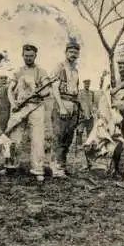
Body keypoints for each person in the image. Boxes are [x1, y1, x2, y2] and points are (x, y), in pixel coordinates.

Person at [6, 44, 51, 181]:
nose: (28, 58)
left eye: (31, 56)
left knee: (37, 138)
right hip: (20, 107)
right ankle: (11, 166)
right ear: (22, 55)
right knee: (15, 137)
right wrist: (13, 103)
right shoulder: (18, 72)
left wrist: (39, 92)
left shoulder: (41, 72)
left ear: (35, 56)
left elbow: (47, 90)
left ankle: (37, 168)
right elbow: (10, 89)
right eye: (26, 56)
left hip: (36, 107)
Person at [50, 39, 81, 177]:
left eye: (75, 52)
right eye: (71, 51)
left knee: (69, 136)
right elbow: (55, 88)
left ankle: (62, 165)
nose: (73, 54)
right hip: (62, 102)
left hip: (73, 103)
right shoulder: (60, 67)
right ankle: (55, 166)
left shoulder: (75, 70)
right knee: (59, 136)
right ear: (66, 52)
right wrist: (61, 107)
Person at [109, 57, 124, 177]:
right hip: (118, 115)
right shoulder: (116, 80)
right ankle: (116, 168)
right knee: (117, 140)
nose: (122, 69)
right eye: (120, 67)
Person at [76, 79, 96, 147]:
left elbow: (93, 103)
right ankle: (79, 145)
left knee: (90, 130)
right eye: (86, 84)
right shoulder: (80, 92)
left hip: (90, 115)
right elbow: (78, 103)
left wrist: (93, 111)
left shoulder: (91, 93)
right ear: (84, 84)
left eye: (88, 84)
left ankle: (88, 144)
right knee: (80, 130)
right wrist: (81, 112)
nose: (87, 85)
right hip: (82, 114)